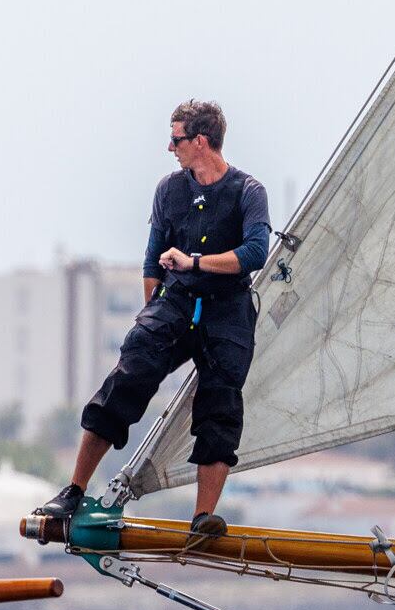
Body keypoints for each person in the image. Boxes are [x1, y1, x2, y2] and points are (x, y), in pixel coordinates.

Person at [35, 100, 270, 538]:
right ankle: (73, 489)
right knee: (128, 377)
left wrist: (196, 262)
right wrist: (150, 317)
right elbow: (151, 261)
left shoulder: (247, 191)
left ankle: (203, 516)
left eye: (176, 138)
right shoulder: (169, 189)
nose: (169, 146)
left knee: (220, 408)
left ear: (201, 141)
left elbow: (255, 253)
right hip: (175, 303)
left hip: (227, 311)